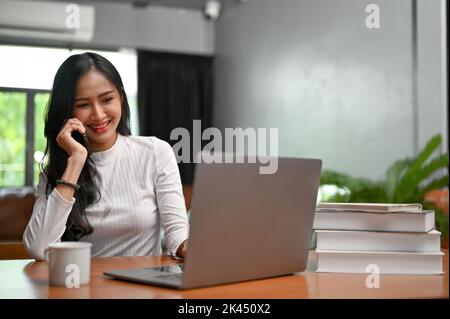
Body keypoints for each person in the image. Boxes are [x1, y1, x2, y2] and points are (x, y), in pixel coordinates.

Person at [23, 52, 189, 261]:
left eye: (107, 99)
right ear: (68, 110)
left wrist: (191, 246)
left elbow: (177, 235)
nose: (99, 114)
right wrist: (75, 161)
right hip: (81, 286)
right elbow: (39, 249)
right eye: (83, 104)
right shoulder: (57, 173)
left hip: (146, 287)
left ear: (120, 97)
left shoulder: (155, 152)